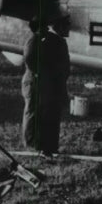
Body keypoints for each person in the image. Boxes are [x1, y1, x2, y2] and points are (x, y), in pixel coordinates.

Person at [21, 17, 70, 156]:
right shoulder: (53, 41)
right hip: (42, 81)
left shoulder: (35, 40)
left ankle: (34, 142)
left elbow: (30, 59)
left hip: (41, 80)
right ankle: (37, 142)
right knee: (38, 112)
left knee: (35, 112)